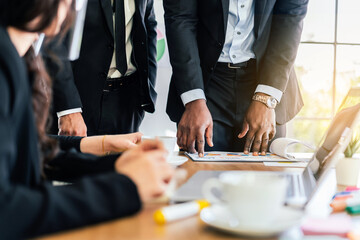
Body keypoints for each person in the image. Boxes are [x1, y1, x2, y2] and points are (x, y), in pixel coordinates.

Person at [0, 0, 173, 238]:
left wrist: (109, 155)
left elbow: (30, 152)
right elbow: (7, 211)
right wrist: (123, 189)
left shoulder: (19, 56)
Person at [163, 0, 308, 156]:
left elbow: (290, 19)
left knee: (265, 176)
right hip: (205, 82)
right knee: (200, 174)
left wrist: (267, 97)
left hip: (265, 79)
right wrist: (193, 100)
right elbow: (180, 19)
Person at [47, 0, 157, 136]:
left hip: (128, 101)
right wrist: (68, 107)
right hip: (78, 100)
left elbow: (148, 21)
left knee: (123, 158)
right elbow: (51, 37)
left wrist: (147, 86)